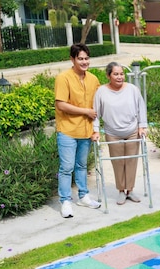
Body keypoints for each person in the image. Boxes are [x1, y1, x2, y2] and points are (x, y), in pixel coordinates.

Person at [54, 43, 101, 218]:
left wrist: (97, 129)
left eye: (86, 58)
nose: (84, 62)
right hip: (67, 130)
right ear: (72, 59)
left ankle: (83, 196)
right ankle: (65, 201)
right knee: (66, 168)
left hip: (86, 131)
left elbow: (97, 106)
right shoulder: (63, 78)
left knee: (81, 166)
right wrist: (85, 111)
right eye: (80, 58)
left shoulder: (93, 79)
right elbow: (61, 104)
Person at [93, 62, 148, 205]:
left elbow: (141, 107)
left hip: (131, 130)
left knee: (131, 160)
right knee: (118, 162)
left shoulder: (132, 89)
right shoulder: (101, 91)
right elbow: (96, 112)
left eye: (121, 74)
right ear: (108, 75)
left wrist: (142, 126)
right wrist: (96, 131)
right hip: (113, 132)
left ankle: (130, 190)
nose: (119, 77)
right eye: (116, 74)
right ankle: (121, 190)